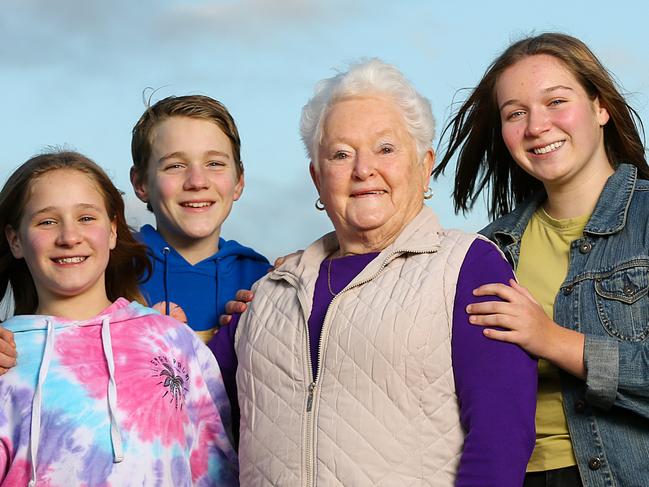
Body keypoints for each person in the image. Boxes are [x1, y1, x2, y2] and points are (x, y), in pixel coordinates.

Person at [210, 59, 537, 486]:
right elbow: (182, 406)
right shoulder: (267, 293)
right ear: (317, 177)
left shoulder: (467, 265)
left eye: (385, 148)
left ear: (424, 165)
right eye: (341, 154)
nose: (364, 169)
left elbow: (501, 438)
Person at [434, 33, 649, 486]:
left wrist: (551, 340)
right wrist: (303, 279)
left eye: (556, 101)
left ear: (600, 107)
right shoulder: (485, 249)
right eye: (516, 113)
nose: (536, 126)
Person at [0, 151, 238, 486]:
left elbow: (217, 468)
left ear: (112, 230)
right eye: (47, 221)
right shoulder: (6, 355)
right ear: (15, 240)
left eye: (86, 218)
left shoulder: (172, 341)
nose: (69, 237)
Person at [130, 95, 271, 343]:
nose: (197, 181)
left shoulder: (264, 279)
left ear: (238, 181)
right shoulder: (113, 269)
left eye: (214, 163)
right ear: (141, 183)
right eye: (175, 166)